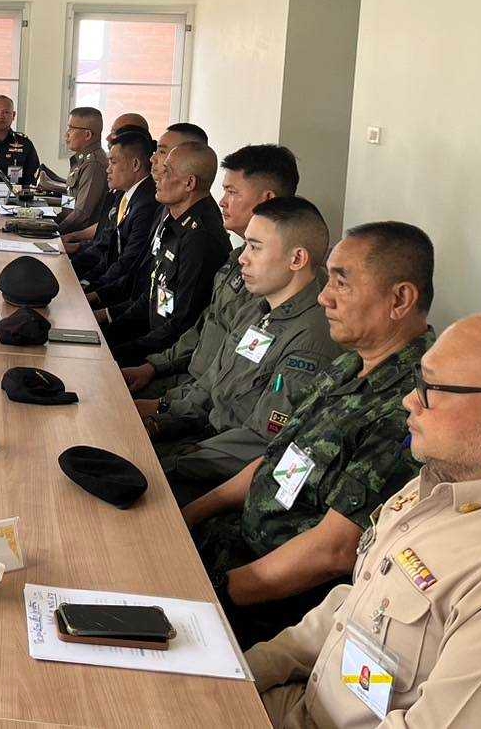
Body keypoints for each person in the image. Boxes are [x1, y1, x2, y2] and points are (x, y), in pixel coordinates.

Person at [248, 313, 481, 728]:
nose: (409, 400)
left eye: (431, 388)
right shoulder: (441, 485)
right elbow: (352, 607)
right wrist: (244, 668)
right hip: (299, 702)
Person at [183, 221, 437, 645]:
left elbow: (334, 550)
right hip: (230, 545)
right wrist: (189, 515)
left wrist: (213, 594)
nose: (323, 296)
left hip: (272, 607)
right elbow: (276, 460)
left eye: (342, 282)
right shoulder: (350, 364)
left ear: (399, 300)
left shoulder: (410, 407)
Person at [142, 197, 340, 503]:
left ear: (297, 258)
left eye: (255, 247)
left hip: (224, 478)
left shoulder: (311, 340)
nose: (243, 258)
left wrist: (175, 459)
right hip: (198, 443)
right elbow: (212, 386)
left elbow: (260, 444)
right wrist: (160, 414)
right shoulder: (257, 308)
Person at [120, 144, 301, 398]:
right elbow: (203, 328)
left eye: (232, 192)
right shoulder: (236, 260)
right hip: (186, 382)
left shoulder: (273, 280)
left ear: (267, 200)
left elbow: (230, 381)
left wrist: (163, 406)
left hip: (198, 398)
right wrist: (153, 366)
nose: (222, 202)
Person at [99, 141, 231, 365]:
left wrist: (120, 353)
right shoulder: (171, 218)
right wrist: (105, 325)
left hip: (167, 358)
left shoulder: (200, 238)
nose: (157, 176)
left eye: (167, 171)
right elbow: (153, 296)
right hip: (151, 338)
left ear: (189, 183)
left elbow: (181, 324)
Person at [83, 123, 202, 305]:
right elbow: (141, 275)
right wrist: (93, 293)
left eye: (162, 151)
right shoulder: (163, 209)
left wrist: (103, 307)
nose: (153, 158)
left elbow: (167, 306)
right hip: (128, 302)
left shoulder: (195, 233)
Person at [68, 131, 157, 297]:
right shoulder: (125, 196)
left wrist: (93, 290)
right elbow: (106, 248)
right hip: (105, 282)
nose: (108, 169)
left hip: (121, 294)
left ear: (135, 164)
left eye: (113, 162)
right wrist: (83, 279)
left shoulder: (146, 204)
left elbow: (127, 262)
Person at [42, 106, 109, 235]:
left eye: (71, 129)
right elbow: (71, 202)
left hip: (78, 238)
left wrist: (55, 232)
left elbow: (81, 213)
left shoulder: (93, 164)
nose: (66, 134)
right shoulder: (82, 160)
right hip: (70, 229)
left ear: (87, 135)